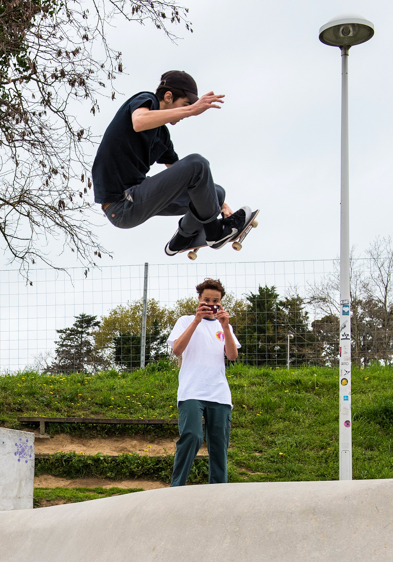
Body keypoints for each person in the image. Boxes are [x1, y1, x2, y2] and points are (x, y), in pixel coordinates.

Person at [93, 70, 257, 257]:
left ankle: (183, 238)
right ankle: (215, 233)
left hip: (140, 199)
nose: (184, 114)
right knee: (197, 163)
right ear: (168, 96)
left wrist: (221, 205)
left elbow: (191, 179)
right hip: (121, 204)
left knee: (215, 192)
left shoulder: (162, 136)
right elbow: (139, 122)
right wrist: (193, 110)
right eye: (184, 105)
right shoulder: (146, 100)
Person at [168, 279, 239, 486]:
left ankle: (218, 491)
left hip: (219, 393)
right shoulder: (185, 320)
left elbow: (232, 356)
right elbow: (177, 350)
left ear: (221, 302)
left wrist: (225, 327)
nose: (210, 304)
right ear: (199, 299)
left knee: (219, 444)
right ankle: (177, 486)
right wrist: (196, 321)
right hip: (192, 391)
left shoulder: (224, 325)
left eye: (215, 300)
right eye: (206, 299)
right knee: (191, 435)